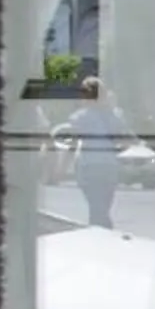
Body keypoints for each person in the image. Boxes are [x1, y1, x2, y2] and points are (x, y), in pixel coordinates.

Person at [64, 77, 126, 230]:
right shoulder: (113, 117)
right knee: (102, 209)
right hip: (109, 167)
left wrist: (63, 165)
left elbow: (73, 143)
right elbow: (122, 140)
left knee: (97, 208)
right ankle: (105, 234)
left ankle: (101, 235)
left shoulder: (80, 117)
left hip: (89, 167)